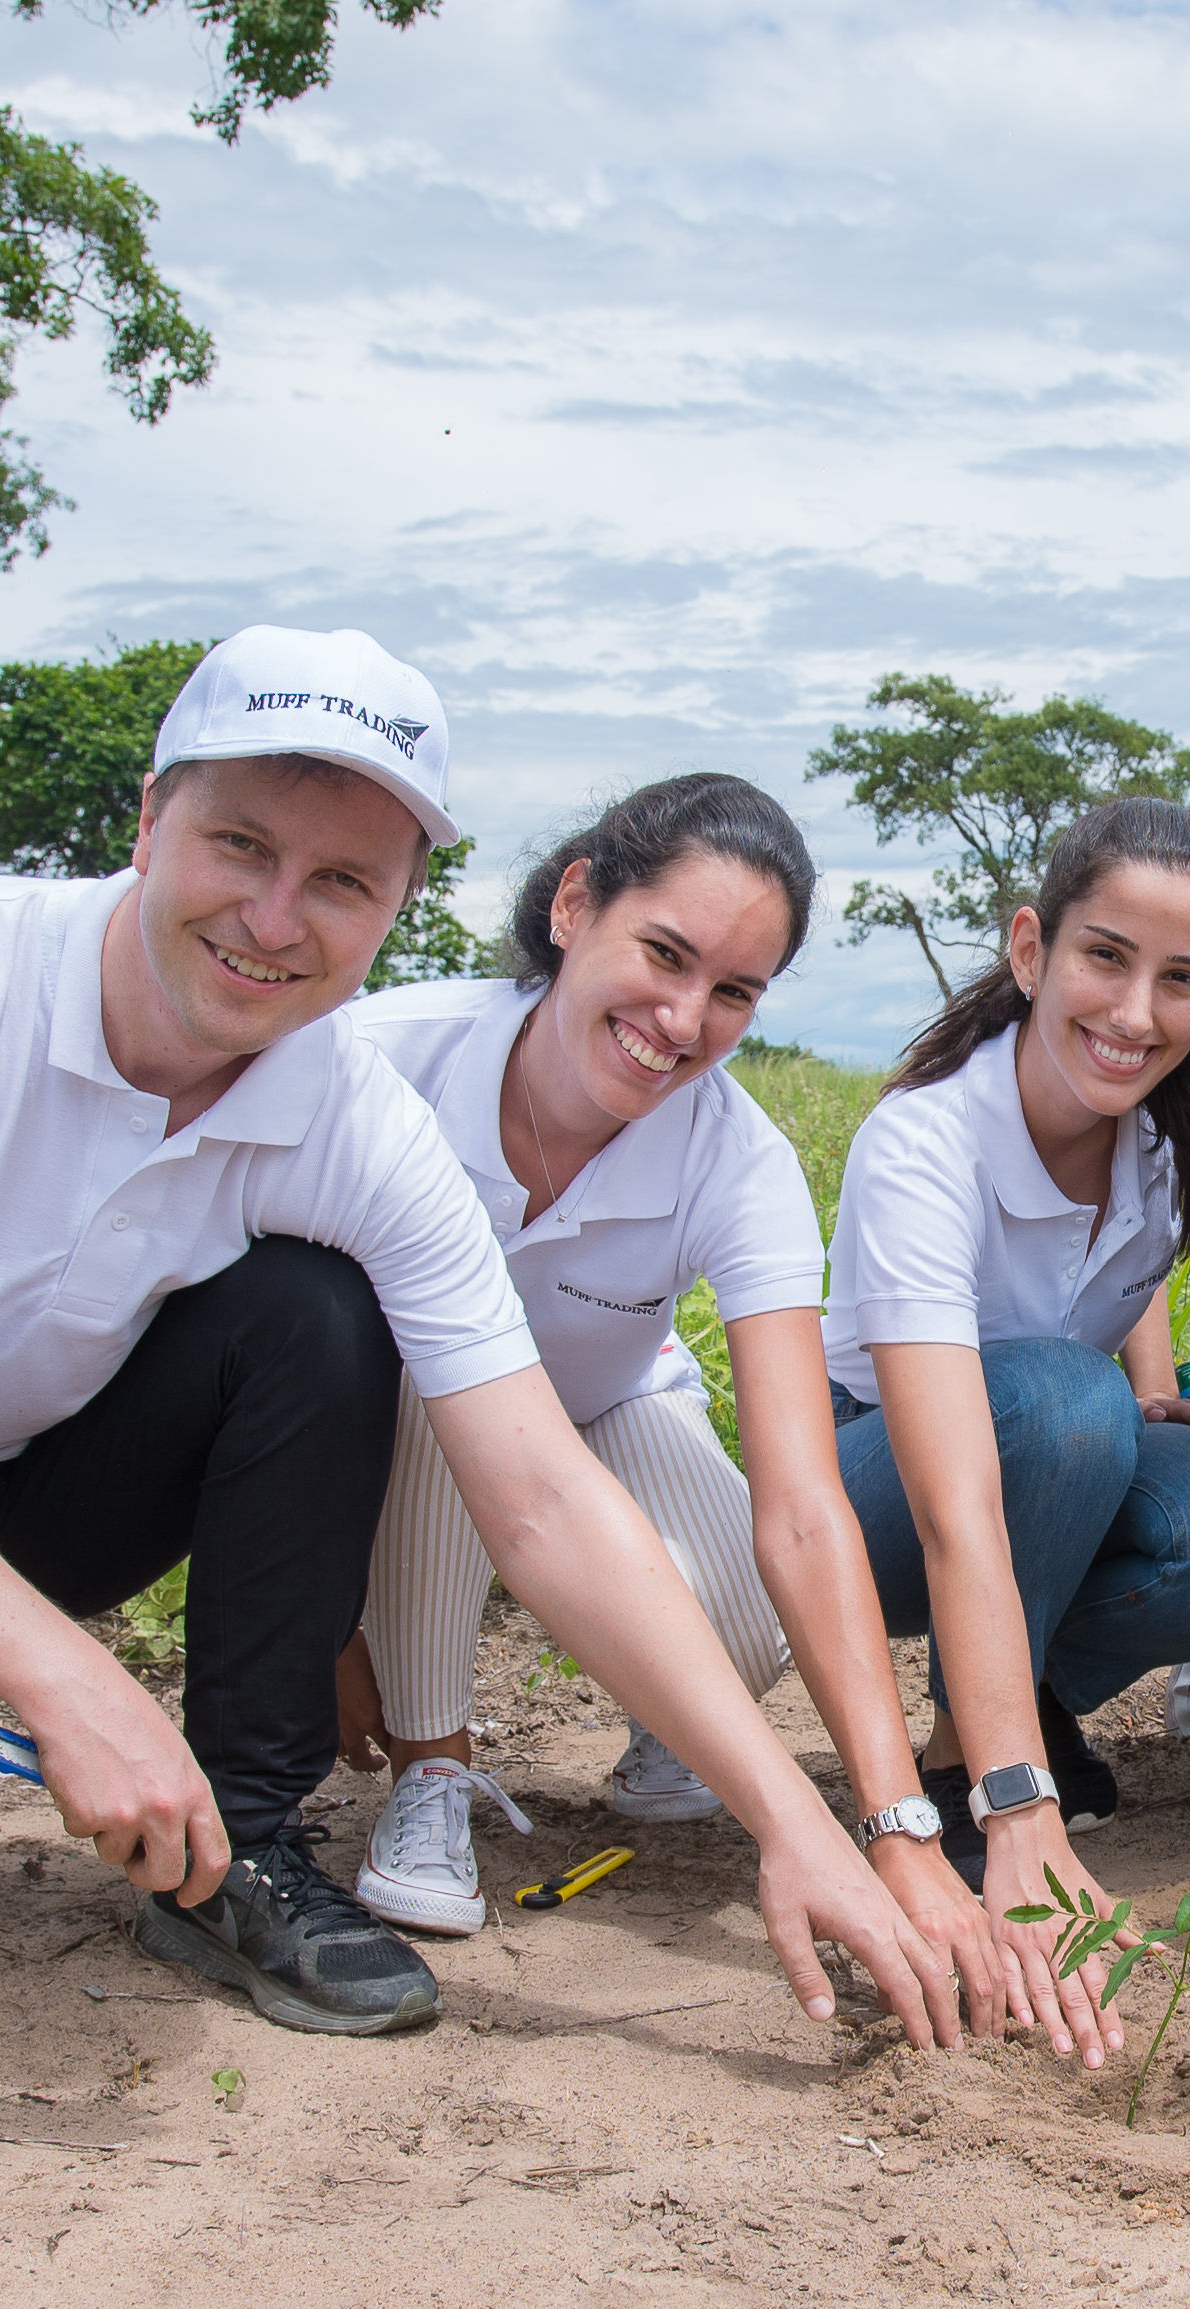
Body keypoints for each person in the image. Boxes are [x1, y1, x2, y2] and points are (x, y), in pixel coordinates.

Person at [0, 626, 955, 2049]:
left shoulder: (355, 1117)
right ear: (148, 819)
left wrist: (796, 1823)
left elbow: (544, 1488)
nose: (273, 919)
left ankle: (239, 1850)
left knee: (316, 1313)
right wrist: (74, 1682)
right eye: (240, 847)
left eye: (341, 882)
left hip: (55, 1478)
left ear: (397, 904)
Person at [327, 773, 1010, 2030]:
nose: (682, 1018)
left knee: (755, 1606)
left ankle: (673, 1734)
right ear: (575, 903)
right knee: (452, 1374)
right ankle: (435, 1766)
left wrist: (897, 1825)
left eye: (735, 991)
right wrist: (326, 1623)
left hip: (609, 1406)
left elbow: (804, 1507)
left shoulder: (738, 1155)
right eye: (664, 952)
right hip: (403, 1429)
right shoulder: (379, 1059)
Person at [823, 797, 1190, 2065]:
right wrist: (1017, 1810)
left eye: (1180, 980)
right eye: (1105, 957)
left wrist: (1155, 1379)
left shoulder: (1170, 1136)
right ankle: (983, 1763)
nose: (1135, 1012)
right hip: (880, 1492)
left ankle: (1024, 1709)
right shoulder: (926, 1143)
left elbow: (1110, 1272)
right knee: (1063, 1407)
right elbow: (960, 1494)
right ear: (1032, 950)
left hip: (1045, 1460)